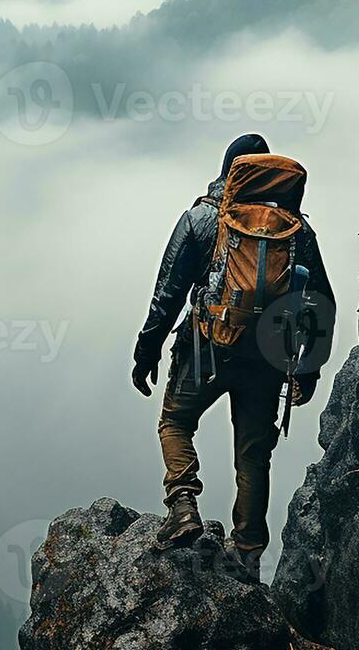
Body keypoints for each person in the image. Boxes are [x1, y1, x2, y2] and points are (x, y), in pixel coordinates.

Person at [131, 134, 334, 582]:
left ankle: (183, 505)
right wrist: (309, 369)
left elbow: (168, 293)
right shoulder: (296, 230)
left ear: (227, 171)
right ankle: (247, 555)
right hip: (266, 359)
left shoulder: (204, 217)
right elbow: (321, 302)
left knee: (176, 422)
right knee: (253, 458)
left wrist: (147, 350)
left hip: (206, 349)